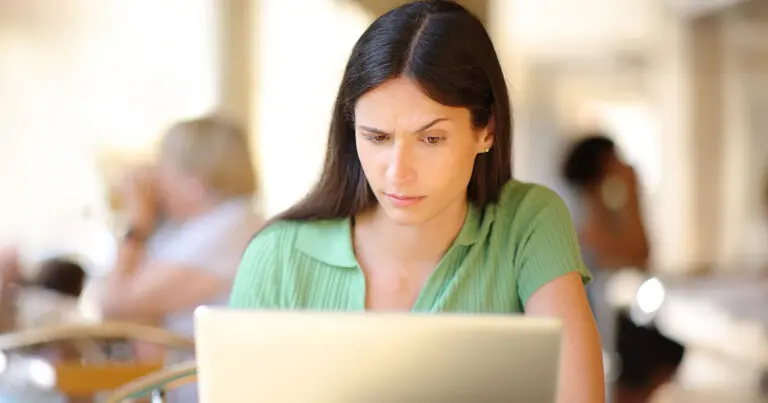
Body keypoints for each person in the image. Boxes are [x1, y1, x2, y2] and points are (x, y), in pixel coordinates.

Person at [229, 2, 604, 402]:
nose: (397, 172)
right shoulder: (278, 256)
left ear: (487, 130)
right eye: (377, 138)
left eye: (431, 139)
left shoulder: (528, 223)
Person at [97, 115, 263, 403]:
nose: (158, 182)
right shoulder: (199, 226)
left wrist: (136, 219)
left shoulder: (228, 227)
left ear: (194, 180)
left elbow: (115, 305)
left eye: (165, 167)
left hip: (203, 391)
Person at [562, 134, 682, 402]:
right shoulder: (584, 209)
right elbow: (640, 252)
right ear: (604, 163)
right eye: (616, 158)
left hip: (609, 315)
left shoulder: (596, 206)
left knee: (664, 352)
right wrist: (632, 192)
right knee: (656, 355)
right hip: (597, 321)